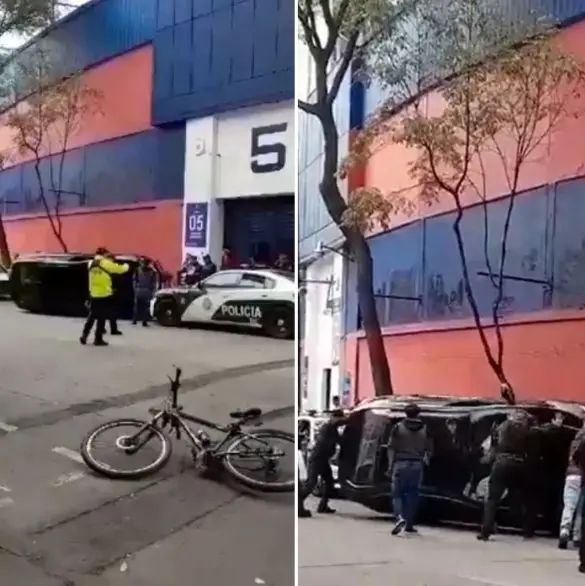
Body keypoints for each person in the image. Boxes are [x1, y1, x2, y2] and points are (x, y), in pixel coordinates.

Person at [477, 409, 564, 541]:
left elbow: (493, 445)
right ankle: (527, 531)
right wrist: (555, 425)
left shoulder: (503, 427)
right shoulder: (528, 432)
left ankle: (485, 531)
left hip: (500, 464)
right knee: (529, 498)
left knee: (492, 499)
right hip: (520, 465)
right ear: (524, 420)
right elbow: (541, 431)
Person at [388, 403, 432, 535]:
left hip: (400, 463)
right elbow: (429, 448)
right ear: (418, 414)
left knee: (397, 494)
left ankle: (399, 518)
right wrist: (425, 459)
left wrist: (390, 465)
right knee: (412, 495)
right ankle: (409, 524)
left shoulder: (398, 428)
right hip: (417, 464)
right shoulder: (425, 429)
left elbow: (391, 447)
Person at [298, 409, 346, 518]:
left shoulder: (331, 428)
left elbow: (339, 439)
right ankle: (298, 505)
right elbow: (335, 439)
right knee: (311, 484)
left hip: (323, 460)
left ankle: (323, 506)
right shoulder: (328, 427)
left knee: (329, 484)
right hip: (317, 459)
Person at [80, 248, 129, 346]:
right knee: (101, 317)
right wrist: (126, 265)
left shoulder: (90, 263)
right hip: (104, 294)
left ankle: (84, 335)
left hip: (93, 293)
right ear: (103, 254)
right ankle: (98, 339)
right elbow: (120, 269)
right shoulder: (105, 263)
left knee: (92, 316)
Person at [559, 417, 585, 549]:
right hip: (583, 476)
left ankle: (564, 530)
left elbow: (573, 458)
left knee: (569, 506)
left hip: (571, 475)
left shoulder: (575, 440)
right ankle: (577, 535)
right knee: (581, 509)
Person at [132, 258, 157, 327]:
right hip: (147, 290)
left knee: (137, 306)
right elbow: (154, 283)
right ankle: (144, 322)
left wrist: (135, 289)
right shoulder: (152, 271)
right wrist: (153, 291)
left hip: (139, 289)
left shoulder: (137, 270)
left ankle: (134, 320)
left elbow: (134, 280)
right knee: (146, 307)